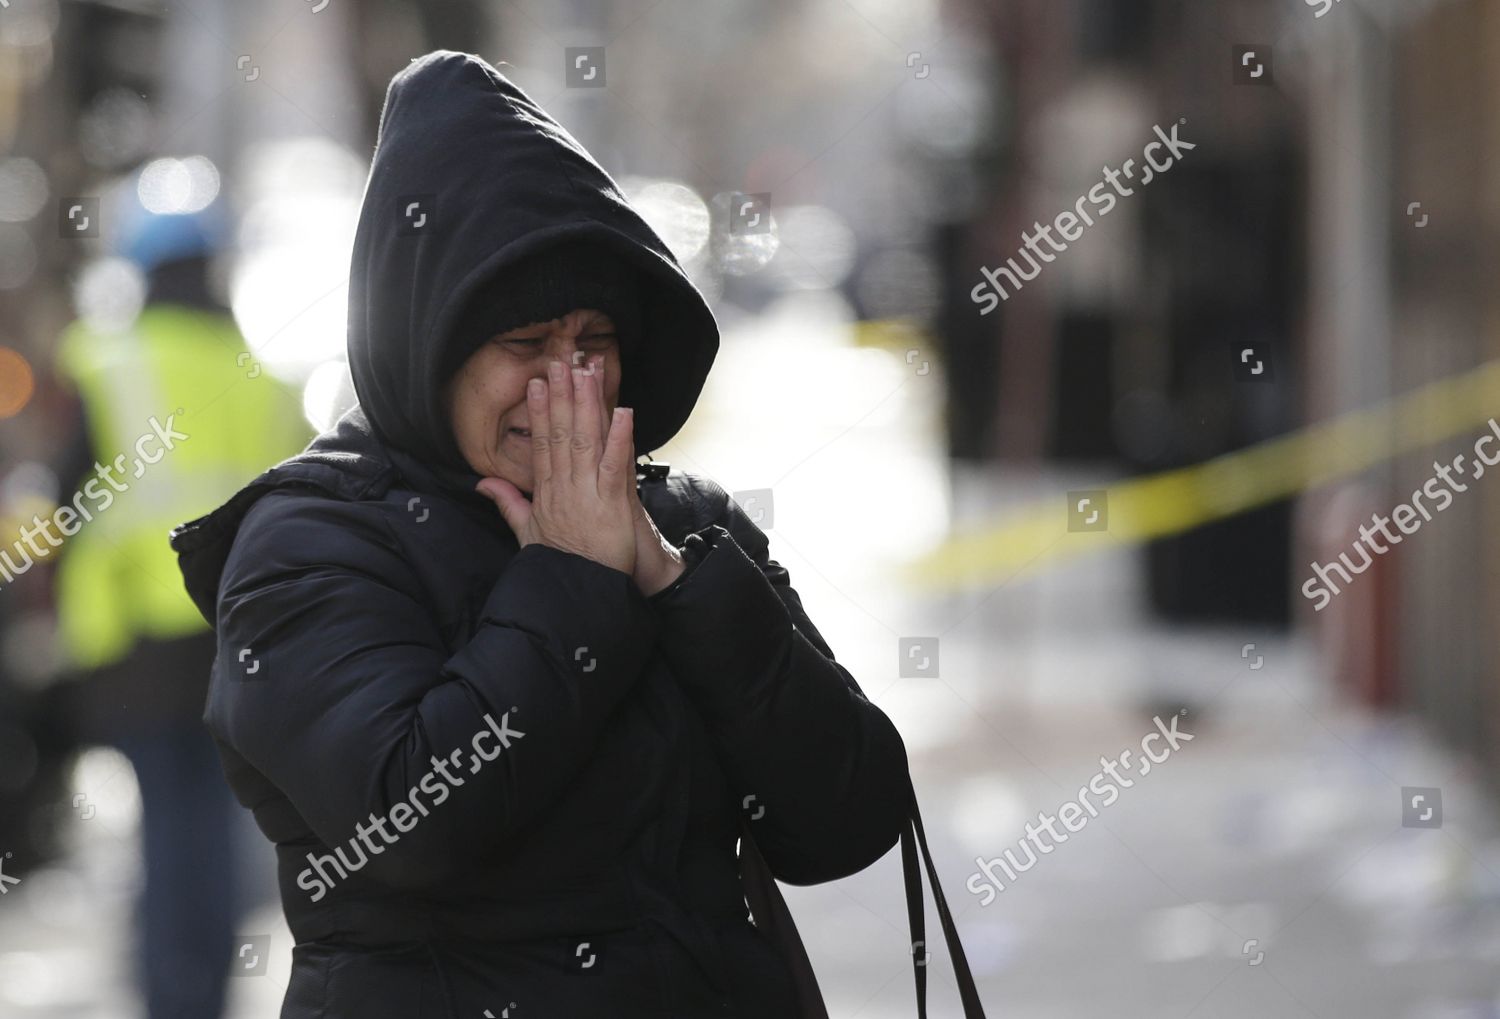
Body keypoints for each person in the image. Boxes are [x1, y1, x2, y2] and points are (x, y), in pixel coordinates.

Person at [169, 50, 910, 1018]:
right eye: (524, 345)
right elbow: (409, 824)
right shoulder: (311, 542)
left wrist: (672, 580)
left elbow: (845, 819)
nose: (568, 385)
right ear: (426, 343)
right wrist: (569, 574)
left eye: (592, 345)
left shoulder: (683, 520)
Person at [52, 187, 309, 1018]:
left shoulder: (107, 363)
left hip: (140, 646)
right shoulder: (262, 378)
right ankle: (211, 986)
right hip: (244, 644)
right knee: (222, 827)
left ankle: (176, 999)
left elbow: (68, 501)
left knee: (166, 831)